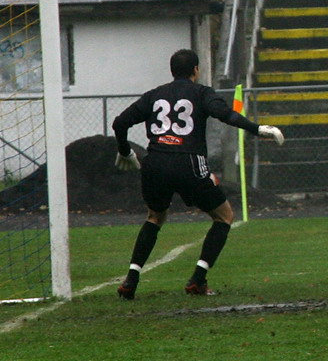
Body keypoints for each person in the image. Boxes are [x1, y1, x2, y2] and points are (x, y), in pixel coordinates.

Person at [112, 49, 284, 298]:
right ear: (195, 70)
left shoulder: (154, 95)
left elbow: (119, 123)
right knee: (224, 216)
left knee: (155, 217)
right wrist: (256, 128)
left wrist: (125, 151)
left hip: (155, 162)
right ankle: (197, 280)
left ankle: (130, 281)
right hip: (188, 161)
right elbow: (224, 114)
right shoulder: (201, 92)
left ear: (172, 71)